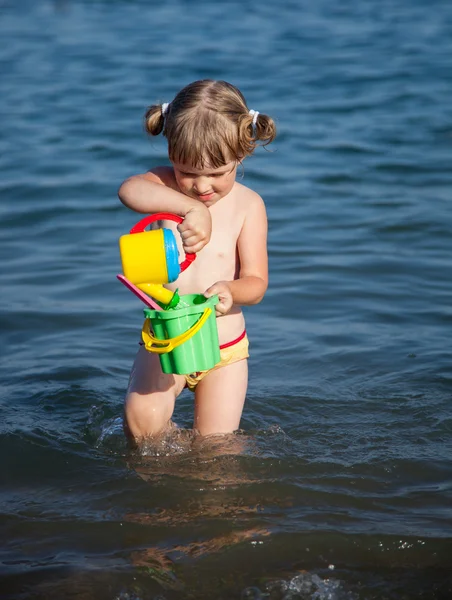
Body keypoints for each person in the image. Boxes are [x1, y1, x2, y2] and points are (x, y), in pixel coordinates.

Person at [118, 79, 276, 443]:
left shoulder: (248, 205)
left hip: (224, 349)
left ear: (242, 153)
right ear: (171, 154)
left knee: (216, 446)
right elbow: (128, 189)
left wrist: (232, 290)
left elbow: (257, 283)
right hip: (166, 337)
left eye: (217, 174)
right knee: (141, 424)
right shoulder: (163, 186)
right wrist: (188, 208)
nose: (202, 187)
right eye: (188, 172)